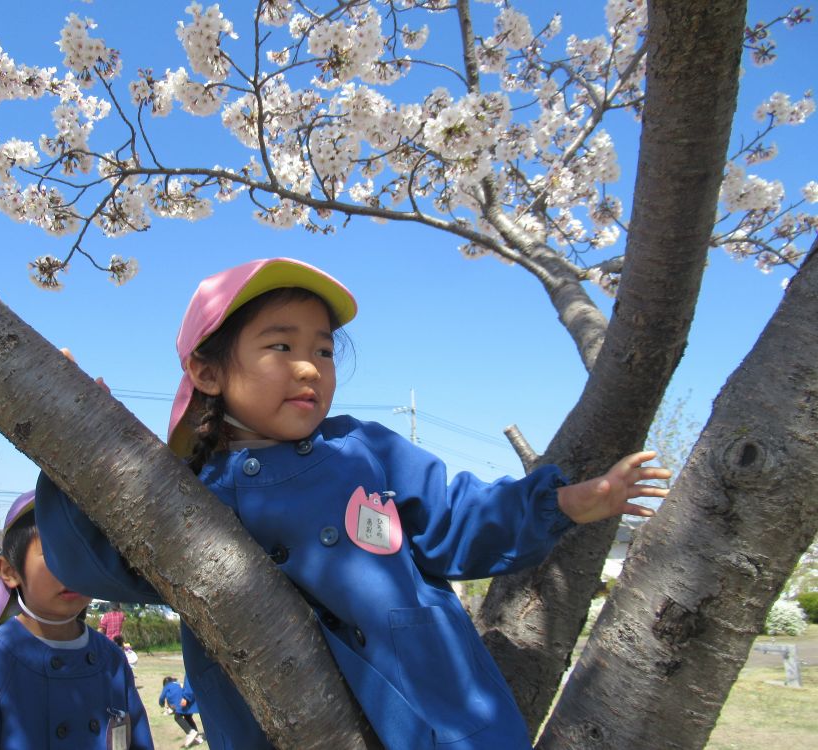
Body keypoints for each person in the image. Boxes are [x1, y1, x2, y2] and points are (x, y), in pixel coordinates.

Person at [35, 257, 670, 749]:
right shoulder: (188, 490)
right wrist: (71, 457)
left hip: (434, 713)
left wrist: (565, 503)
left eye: (324, 350)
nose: (310, 367)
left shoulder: (363, 451)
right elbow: (103, 560)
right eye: (281, 346)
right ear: (207, 372)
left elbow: (456, 517)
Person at [0, 491, 153, 750]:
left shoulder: (112, 661)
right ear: (9, 571)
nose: (72, 567)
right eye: (53, 552)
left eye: (85, 551)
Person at [159, 676, 204, 747]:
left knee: (177, 717)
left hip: (181, 703)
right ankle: (197, 737)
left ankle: (190, 732)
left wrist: (161, 704)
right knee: (188, 718)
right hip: (187, 702)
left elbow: (162, 697)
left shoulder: (166, 686)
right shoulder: (177, 684)